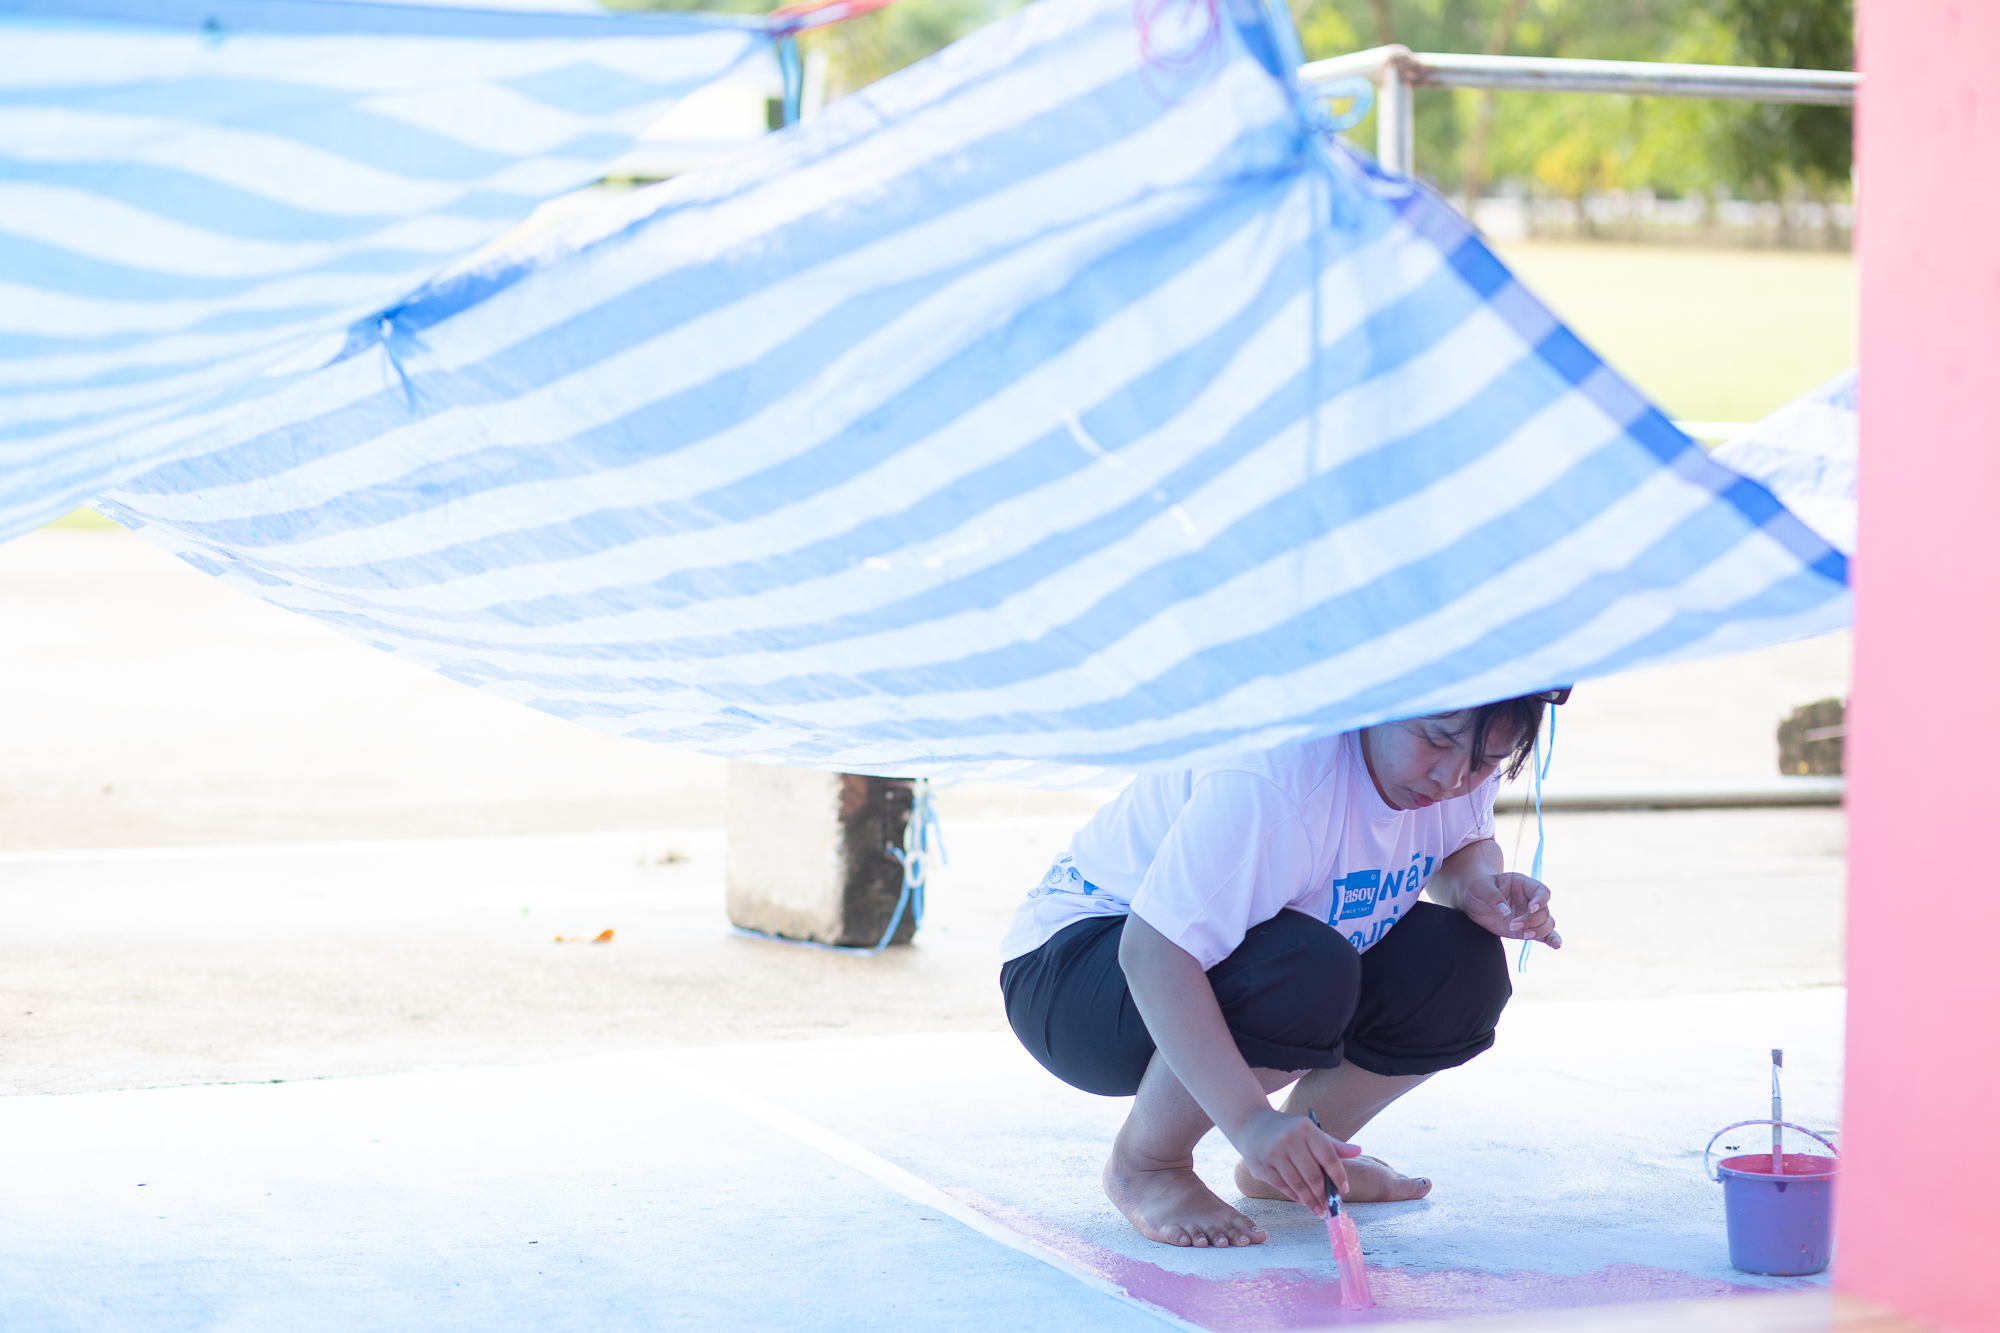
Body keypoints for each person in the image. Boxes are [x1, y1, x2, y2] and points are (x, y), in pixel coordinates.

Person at [997, 691, 1567, 1249]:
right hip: (1076, 977)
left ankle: (1292, 1166)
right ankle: (1148, 1164)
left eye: (1485, 761)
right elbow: (1153, 950)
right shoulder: (1273, 772)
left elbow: (1461, 844)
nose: (1451, 779)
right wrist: (1250, 1121)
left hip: (1253, 953)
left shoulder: (1461, 751)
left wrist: (1475, 887)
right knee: (1307, 969)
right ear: (1376, 696)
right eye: (1435, 742)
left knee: (1459, 965)